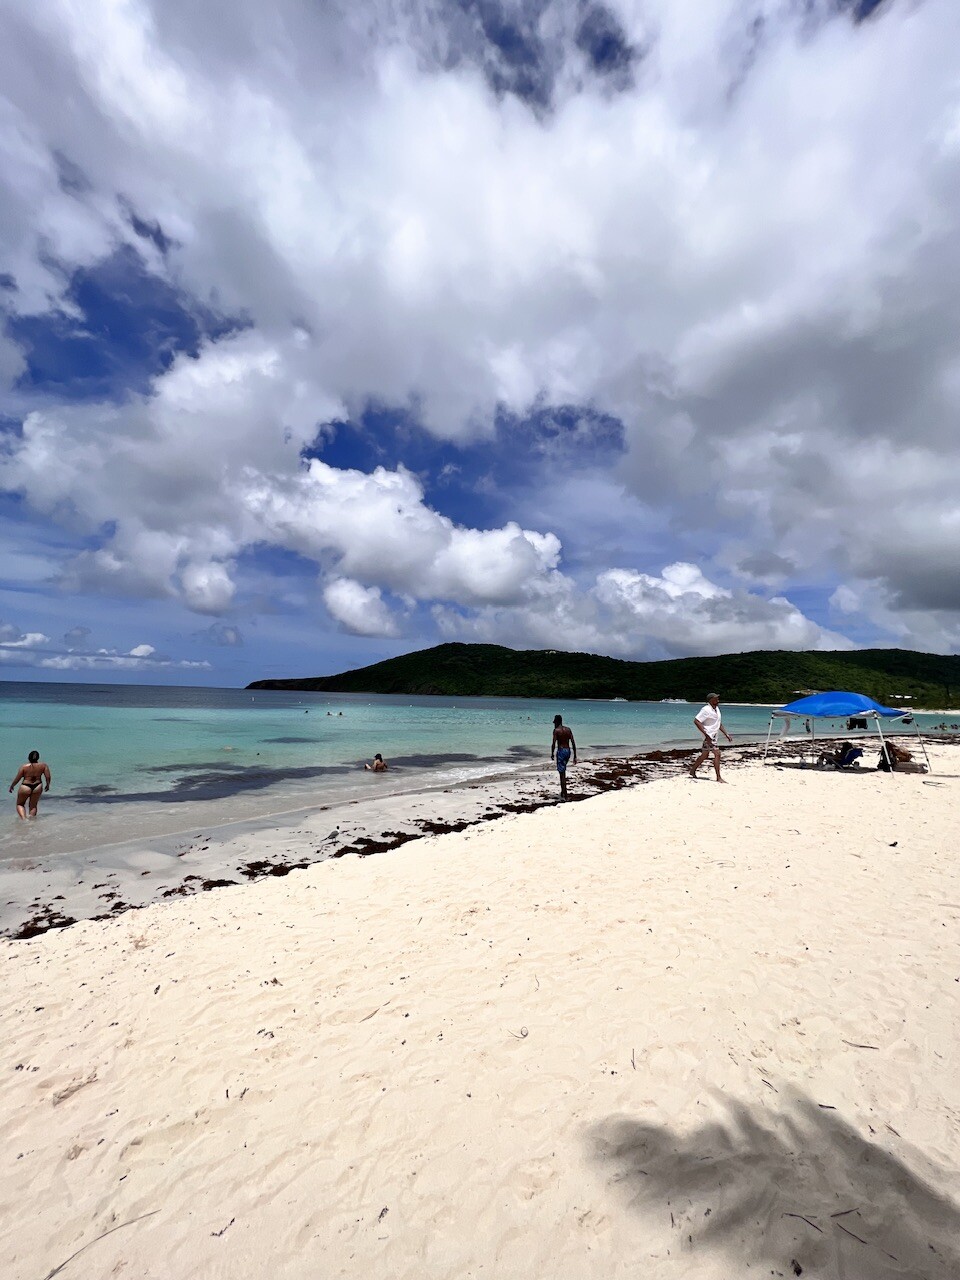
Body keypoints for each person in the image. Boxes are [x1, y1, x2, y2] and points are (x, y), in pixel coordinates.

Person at [689, 693, 733, 782]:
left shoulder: (717, 709)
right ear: (711, 700)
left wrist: (726, 734)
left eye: (718, 699)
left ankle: (692, 771)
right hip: (709, 736)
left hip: (713, 736)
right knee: (717, 754)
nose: (718, 701)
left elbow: (718, 723)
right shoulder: (706, 710)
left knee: (705, 755)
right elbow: (696, 721)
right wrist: (706, 735)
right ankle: (718, 777)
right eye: (716, 699)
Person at [9, 749, 51, 819]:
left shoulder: (24, 767)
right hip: (38, 786)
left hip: (25, 786)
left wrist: (12, 786)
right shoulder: (43, 765)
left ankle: (24, 820)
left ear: (29, 757)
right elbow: (48, 777)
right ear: (38, 757)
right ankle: (32, 821)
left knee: (20, 804)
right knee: (33, 805)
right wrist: (48, 785)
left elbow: (18, 778)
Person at [551, 714, 577, 800]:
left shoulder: (556, 731)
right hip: (568, 751)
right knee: (563, 770)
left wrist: (552, 753)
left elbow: (554, 743)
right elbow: (573, 742)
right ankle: (563, 791)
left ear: (557, 722)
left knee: (562, 774)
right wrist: (575, 756)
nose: (554, 723)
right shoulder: (568, 730)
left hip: (561, 751)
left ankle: (565, 794)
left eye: (555, 722)